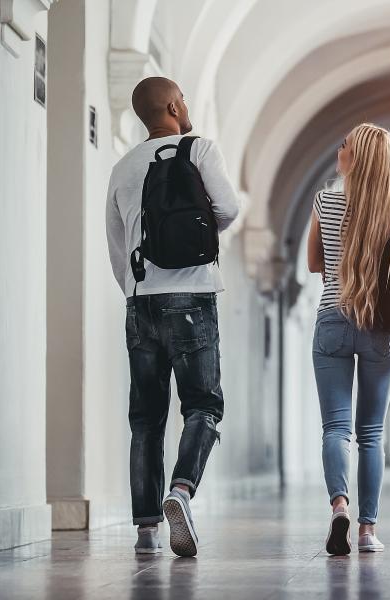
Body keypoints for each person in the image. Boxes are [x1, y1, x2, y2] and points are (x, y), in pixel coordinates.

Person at [106, 76, 241, 557]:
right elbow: (228, 209)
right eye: (181, 97)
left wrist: (138, 289)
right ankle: (180, 491)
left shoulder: (122, 166)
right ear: (171, 104)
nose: (185, 104)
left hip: (141, 301)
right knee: (203, 405)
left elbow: (117, 247)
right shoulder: (198, 149)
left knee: (145, 417)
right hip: (193, 295)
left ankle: (146, 529)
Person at [306, 123, 390, 556]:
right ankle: (367, 531)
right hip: (380, 327)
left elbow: (313, 264)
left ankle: (339, 507)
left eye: (344, 144)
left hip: (332, 319)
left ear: (356, 158)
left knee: (336, 428)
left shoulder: (324, 200)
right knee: (371, 434)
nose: (338, 147)